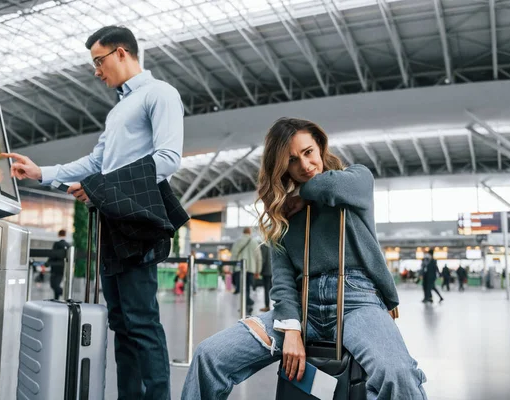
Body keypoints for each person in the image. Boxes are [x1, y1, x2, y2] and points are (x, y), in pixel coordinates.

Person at [181, 117, 427, 399]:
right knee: (209, 356)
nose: (305, 165)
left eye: (308, 152)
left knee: (398, 375)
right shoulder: (283, 215)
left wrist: (302, 194)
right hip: (302, 306)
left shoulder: (356, 181)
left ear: (320, 146)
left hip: (357, 302)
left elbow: (329, 187)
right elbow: (283, 281)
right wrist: (292, 331)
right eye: (291, 160)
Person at [2, 25, 184, 400]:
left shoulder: (159, 94)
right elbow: (95, 163)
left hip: (137, 223)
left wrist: (103, 187)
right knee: (121, 322)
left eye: (99, 61)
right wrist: (41, 173)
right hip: (113, 223)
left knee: (142, 323)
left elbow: (168, 159)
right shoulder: (120, 110)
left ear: (121, 53)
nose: (96, 71)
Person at [230, 227, 262, 314]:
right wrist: (258, 271)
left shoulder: (238, 241)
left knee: (241, 288)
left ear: (243, 232)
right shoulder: (254, 242)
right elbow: (258, 258)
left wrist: (231, 268)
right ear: (250, 232)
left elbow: (234, 255)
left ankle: (247, 304)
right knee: (248, 287)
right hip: (251, 269)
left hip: (239, 269)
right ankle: (247, 304)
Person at [47, 229, 69, 300]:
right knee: (56, 284)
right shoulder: (68, 245)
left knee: (53, 285)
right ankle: (56, 298)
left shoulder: (57, 244)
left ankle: (64, 294)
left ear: (59, 234)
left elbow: (53, 255)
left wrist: (47, 263)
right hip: (63, 269)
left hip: (55, 268)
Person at [259, 242, 272, 312]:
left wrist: (259, 270)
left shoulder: (264, 246)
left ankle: (267, 306)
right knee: (273, 288)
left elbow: (263, 259)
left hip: (266, 271)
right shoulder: (274, 244)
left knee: (266, 290)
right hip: (273, 271)